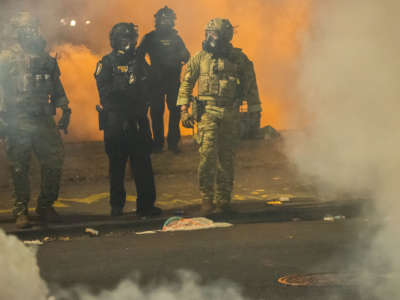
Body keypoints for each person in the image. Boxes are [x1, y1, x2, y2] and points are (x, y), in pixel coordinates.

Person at [177, 18, 262, 214]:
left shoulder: (238, 58)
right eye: (208, 33)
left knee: (227, 159)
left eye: (213, 34)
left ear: (225, 36)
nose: (209, 38)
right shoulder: (200, 58)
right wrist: (183, 110)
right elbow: (187, 84)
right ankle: (206, 197)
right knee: (206, 157)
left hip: (230, 114)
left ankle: (223, 199)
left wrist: (255, 111)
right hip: (207, 114)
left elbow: (251, 86)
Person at [0, 12, 71, 228]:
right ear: (18, 31)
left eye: (33, 26)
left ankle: (45, 205)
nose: (31, 31)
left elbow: (57, 88)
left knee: (54, 160)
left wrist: (65, 109)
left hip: (42, 120)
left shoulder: (46, 60)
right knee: (19, 166)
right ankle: (21, 210)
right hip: (17, 119)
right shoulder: (6, 58)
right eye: (26, 27)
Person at [94, 22, 162, 217]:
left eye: (132, 38)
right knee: (117, 166)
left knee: (143, 164)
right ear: (115, 40)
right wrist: (126, 85)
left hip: (138, 120)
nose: (129, 42)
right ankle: (116, 206)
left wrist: (144, 80)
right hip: (116, 121)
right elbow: (104, 92)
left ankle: (146, 205)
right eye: (125, 38)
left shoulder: (140, 61)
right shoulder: (106, 62)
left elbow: (153, 86)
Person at [138, 6, 190, 153]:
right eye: (163, 18)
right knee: (156, 112)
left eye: (168, 19)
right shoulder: (150, 37)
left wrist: (180, 57)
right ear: (157, 20)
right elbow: (139, 56)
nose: (165, 21)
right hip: (155, 82)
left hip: (172, 81)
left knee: (175, 112)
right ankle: (158, 143)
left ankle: (173, 143)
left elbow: (186, 56)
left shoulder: (176, 38)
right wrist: (148, 71)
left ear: (172, 21)